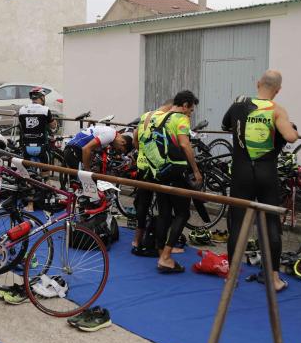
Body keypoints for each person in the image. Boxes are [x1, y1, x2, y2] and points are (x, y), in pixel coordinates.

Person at [222, 70, 298, 292]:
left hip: (241, 172)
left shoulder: (239, 104)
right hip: (266, 172)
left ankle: (231, 277)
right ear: (278, 90)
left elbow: (225, 124)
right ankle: (273, 278)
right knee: (271, 223)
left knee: (237, 224)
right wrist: (288, 127)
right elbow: (291, 137)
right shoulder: (277, 110)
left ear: (258, 84)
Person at [147, 91, 202, 274]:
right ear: (185, 105)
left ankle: (161, 253)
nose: (190, 114)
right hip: (176, 171)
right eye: (191, 110)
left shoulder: (160, 117)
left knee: (164, 213)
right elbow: (185, 144)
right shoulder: (181, 119)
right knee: (182, 213)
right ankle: (166, 257)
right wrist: (196, 170)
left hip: (159, 171)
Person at [130, 99, 173, 256]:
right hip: (157, 168)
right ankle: (161, 247)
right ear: (171, 107)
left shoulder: (145, 116)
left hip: (142, 166)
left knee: (142, 203)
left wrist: (142, 152)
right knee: (164, 207)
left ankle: (137, 240)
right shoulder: (165, 118)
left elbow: (135, 139)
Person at [63, 123, 132, 171]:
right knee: (78, 183)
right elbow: (86, 149)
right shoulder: (110, 135)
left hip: (74, 148)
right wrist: (87, 170)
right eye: (120, 150)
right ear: (123, 142)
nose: (117, 150)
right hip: (73, 149)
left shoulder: (112, 133)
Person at [18, 87, 57, 163]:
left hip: (26, 146)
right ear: (42, 97)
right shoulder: (45, 110)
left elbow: (21, 125)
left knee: (27, 169)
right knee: (45, 169)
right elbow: (53, 126)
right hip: (42, 146)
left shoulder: (22, 109)